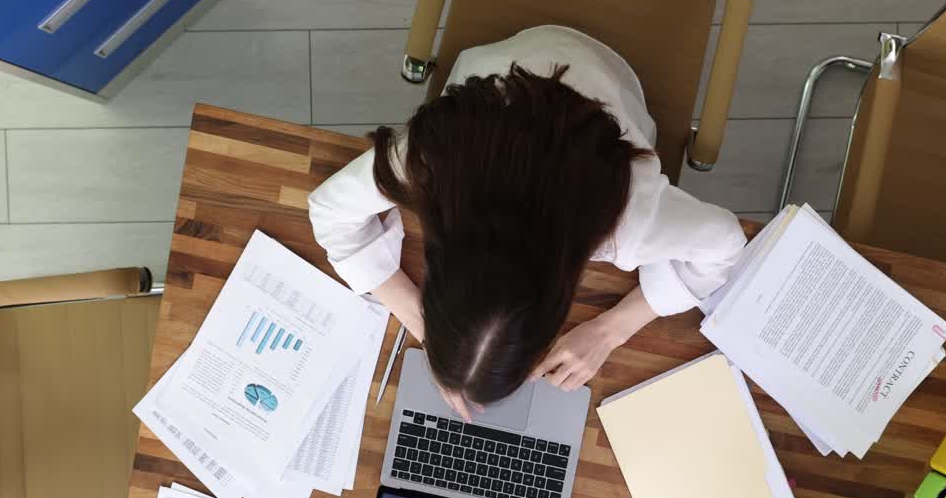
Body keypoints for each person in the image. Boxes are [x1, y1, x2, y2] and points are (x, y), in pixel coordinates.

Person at [309, 25, 746, 419]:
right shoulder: (434, 156)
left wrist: (612, 329)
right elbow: (327, 209)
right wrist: (445, 338)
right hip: (503, 75)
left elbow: (727, 243)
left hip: (603, 74)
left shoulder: (627, 218)